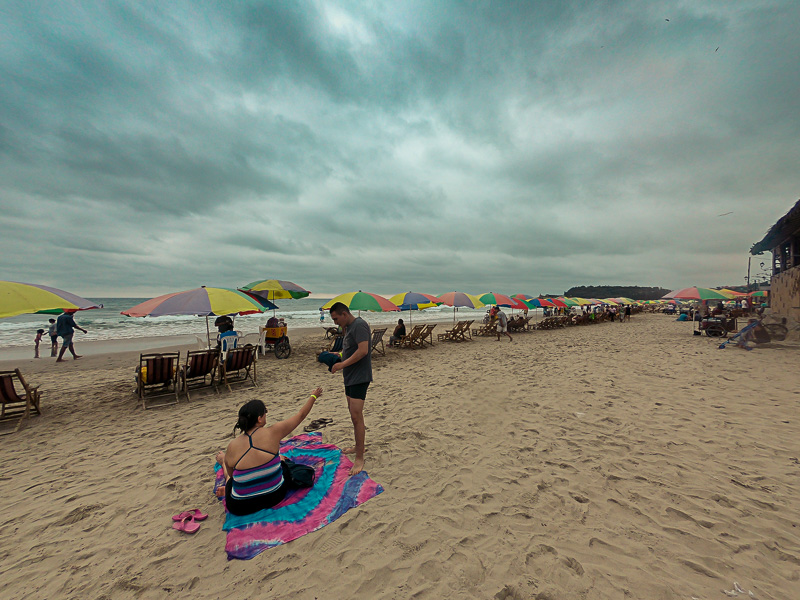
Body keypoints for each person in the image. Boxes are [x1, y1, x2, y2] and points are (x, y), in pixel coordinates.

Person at [215, 389, 323, 516]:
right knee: (281, 461)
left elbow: (233, 476)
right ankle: (227, 463)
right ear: (259, 419)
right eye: (265, 412)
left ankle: (222, 462)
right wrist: (313, 396)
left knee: (229, 475)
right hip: (275, 496)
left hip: (240, 506)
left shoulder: (233, 446)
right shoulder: (273, 432)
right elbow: (300, 415)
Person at [329, 302, 371, 476]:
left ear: (344, 314)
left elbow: (363, 351)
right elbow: (349, 350)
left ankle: (359, 457)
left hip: (359, 377)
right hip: (350, 377)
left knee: (356, 416)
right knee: (353, 416)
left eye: (336, 318)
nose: (335, 322)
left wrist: (342, 365)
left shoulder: (359, 325)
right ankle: (357, 447)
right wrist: (336, 356)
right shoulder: (348, 328)